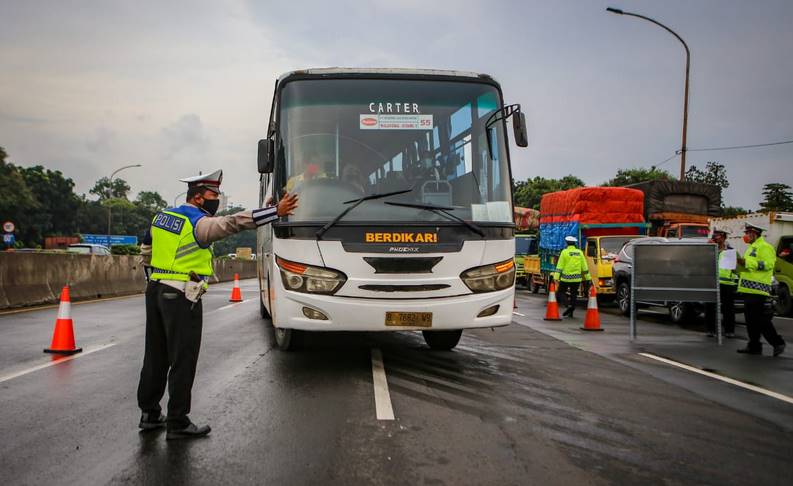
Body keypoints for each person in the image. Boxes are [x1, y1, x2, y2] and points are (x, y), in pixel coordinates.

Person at [137, 169, 299, 439]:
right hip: (181, 295)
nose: (217, 200)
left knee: (155, 355)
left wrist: (156, 272)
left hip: (154, 289)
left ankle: (149, 414)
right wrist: (274, 212)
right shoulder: (197, 223)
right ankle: (178, 422)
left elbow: (146, 250)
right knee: (182, 358)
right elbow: (233, 223)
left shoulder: (161, 217)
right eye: (214, 195)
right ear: (199, 198)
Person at [736, 222, 785, 356]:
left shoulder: (765, 247)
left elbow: (768, 265)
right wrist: (737, 267)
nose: (746, 236)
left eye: (747, 233)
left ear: (755, 233)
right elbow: (749, 269)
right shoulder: (752, 247)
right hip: (748, 289)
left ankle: (777, 343)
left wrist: (747, 263)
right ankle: (754, 346)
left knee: (760, 319)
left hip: (758, 289)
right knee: (750, 320)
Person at [705, 229, 738, 337]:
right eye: (714, 235)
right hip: (712, 282)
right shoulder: (709, 249)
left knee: (728, 308)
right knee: (710, 307)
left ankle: (729, 331)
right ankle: (710, 330)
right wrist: (708, 248)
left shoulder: (730, 251)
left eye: (717, 235)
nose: (715, 237)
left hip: (727, 283)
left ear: (723, 237)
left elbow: (734, 268)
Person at [553, 236, 591, 318]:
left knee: (561, 292)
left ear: (567, 243)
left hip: (566, 278)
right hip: (577, 279)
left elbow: (560, 266)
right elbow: (584, 266)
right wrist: (588, 278)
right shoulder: (579, 252)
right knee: (574, 294)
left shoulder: (564, 252)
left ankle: (567, 305)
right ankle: (572, 308)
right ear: (574, 243)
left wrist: (556, 277)